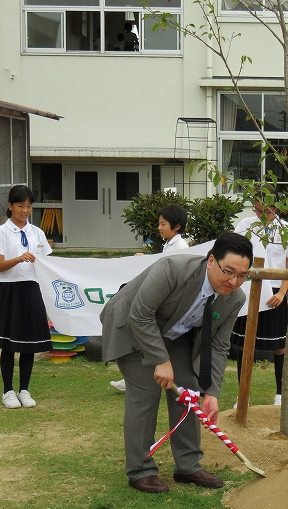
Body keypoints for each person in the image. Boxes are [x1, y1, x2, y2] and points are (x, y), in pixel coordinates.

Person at [100, 231, 253, 493]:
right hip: (132, 326)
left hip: (174, 334)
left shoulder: (235, 298)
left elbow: (218, 346)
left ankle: (188, 466)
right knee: (145, 392)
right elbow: (140, 314)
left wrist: (211, 392)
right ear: (211, 261)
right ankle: (140, 470)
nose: (233, 281)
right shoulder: (173, 269)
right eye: (228, 271)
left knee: (189, 390)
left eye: (242, 275)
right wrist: (160, 360)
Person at [0, 185, 53, 409]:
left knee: (29, 343)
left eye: (29, 206)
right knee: (8, 343)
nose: (25, 210)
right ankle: (8, 391)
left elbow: (48, 263)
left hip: (31, 290)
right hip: (9, 290)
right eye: (21, 205)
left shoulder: (37, 232)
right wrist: (18, 259)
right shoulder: (1, 232)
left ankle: (24, 389)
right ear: (10, 206)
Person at [110, 204, 189, 392]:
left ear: (176, 226)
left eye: (163, 224)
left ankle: (139, 378)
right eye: (159, 224)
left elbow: (172, 272)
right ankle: (133, 378)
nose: (159, 228)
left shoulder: (181, 246)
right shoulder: (169, 244)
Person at [231, 200, 288, 406]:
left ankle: (280, 393)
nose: (261, 214)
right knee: (245, 343)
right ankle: (242, 394)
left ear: (276, 208)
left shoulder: (286, 230)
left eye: (266, 210)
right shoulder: (246, 225)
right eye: (257, 209)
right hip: (249, 288)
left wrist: (282, 293)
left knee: (278, 345)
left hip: (275, 291)